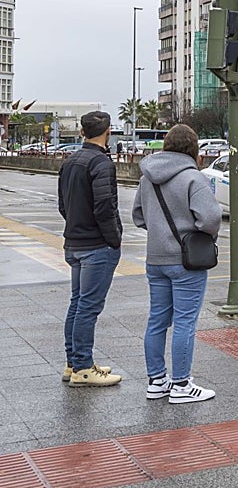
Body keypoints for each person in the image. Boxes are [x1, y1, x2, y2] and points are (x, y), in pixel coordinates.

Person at [132, 124, 222, 404]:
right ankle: (181, 384)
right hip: (185, 261)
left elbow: (138, 215)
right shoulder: (193, 178)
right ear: (194, 149)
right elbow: (210, 219)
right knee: (185, 321)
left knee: (157, 319)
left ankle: (156, 381)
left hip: (155, 258)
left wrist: (159, 231)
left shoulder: (147, 177)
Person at [59, 110, 123, 387]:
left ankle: (73, 363)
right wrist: (114, 239)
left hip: (74, 243)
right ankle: (84, 368)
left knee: (77, 303)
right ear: (107, 132)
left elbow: (63, 205)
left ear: (83, 131)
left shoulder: (70, 161)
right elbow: (105, 206)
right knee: (88, 307)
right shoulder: (101, 163)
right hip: (96, 246)